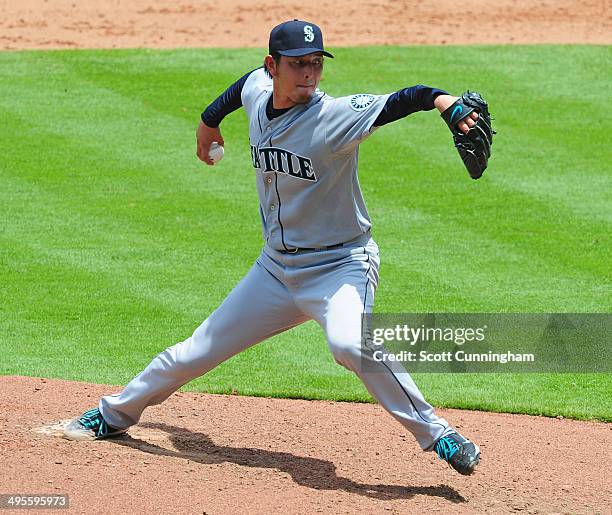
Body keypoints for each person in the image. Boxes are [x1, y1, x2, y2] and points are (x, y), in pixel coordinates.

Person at [64, 19, 481, 476]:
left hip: (340, 265)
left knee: (349, 342)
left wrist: (446, 104)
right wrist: (208, 121)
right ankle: (113, 414)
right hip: (276, 271)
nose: (309, 74)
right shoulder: (259, 93)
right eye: (298, 64)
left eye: (316, 64)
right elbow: (243, 85)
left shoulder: (335, 116)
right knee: (194, 352)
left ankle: (438, 433)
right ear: (273, 67)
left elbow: (408, 97)